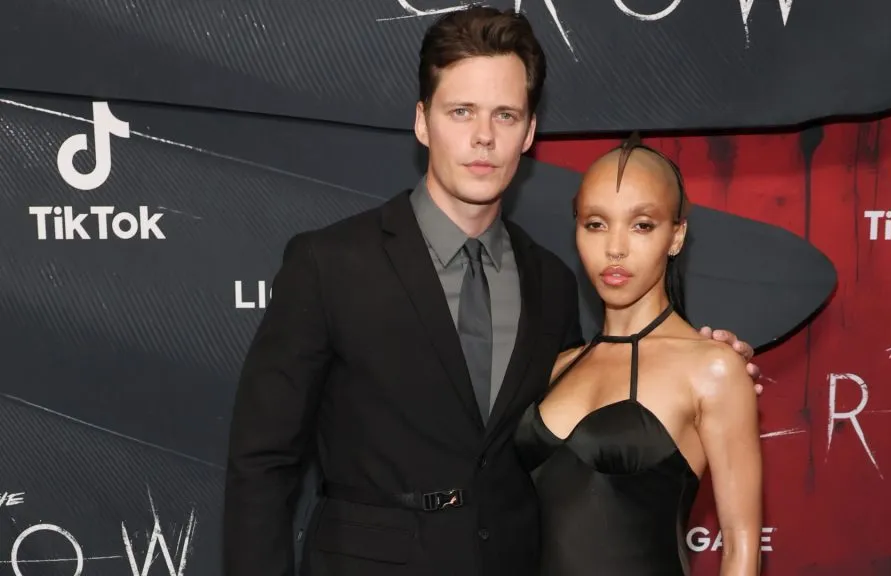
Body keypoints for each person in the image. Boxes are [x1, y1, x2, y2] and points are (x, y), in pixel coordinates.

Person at [222, 7, 762, 576]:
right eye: (462, 112)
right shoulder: (329, 263)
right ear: (423, 121)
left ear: (529, 132)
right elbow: (262, 462)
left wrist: (709, 368)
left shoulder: (551, 283)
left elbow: (585, 439)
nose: (484, 137)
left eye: (505, 115)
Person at [515, 134, 763, 576]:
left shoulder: (713, 368)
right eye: (595, 223)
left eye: (642, 224)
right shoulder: (557, 367)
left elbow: (740, 548)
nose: (615, 247)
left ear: (676, 235)